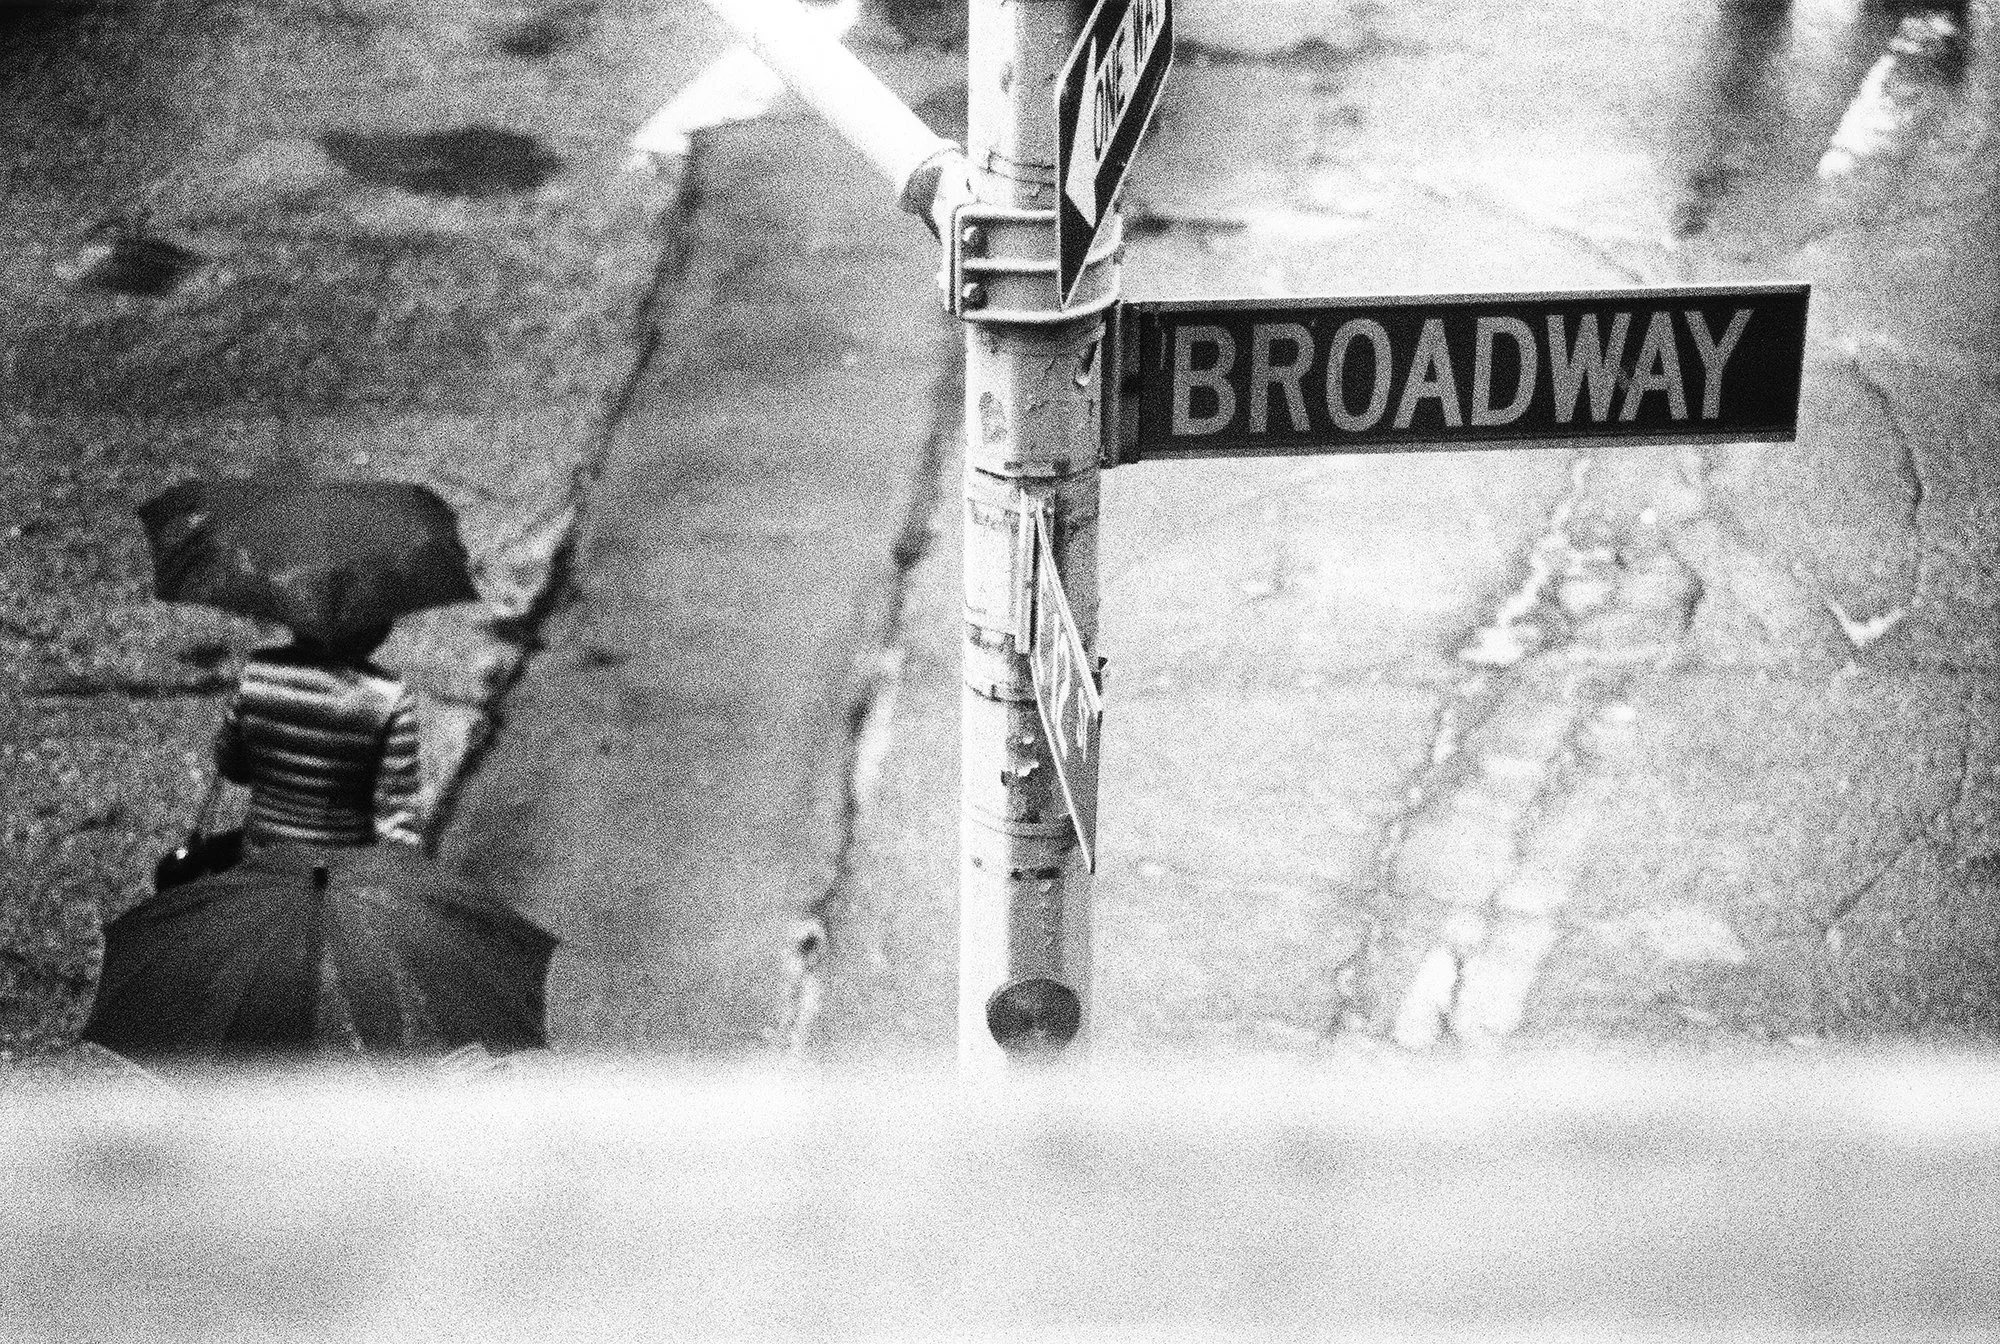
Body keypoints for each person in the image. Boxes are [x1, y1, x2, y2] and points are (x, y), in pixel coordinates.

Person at [213, 621, 425, 850]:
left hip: (261, 858)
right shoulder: (390, 696)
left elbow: (230, 766)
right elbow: (396, 815)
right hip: (340, 869)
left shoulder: (256, 672)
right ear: (376, 630)